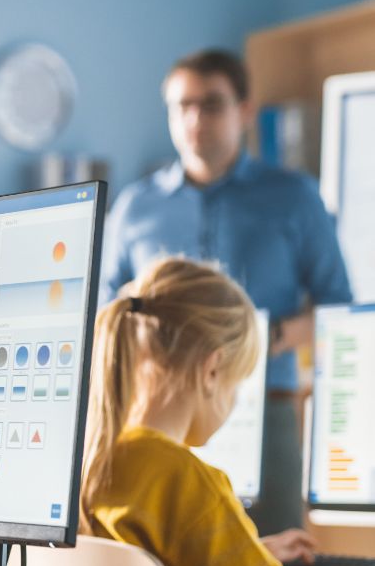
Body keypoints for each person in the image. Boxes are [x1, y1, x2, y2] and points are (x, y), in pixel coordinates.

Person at [61, 257, 374, 566]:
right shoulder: (186, 478)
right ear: (211, 370)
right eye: (236, 384)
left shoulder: (91, 461)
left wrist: (251, 555)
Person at [99, 48, 352, 538]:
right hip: (160, 416)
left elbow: (337, 309)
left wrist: (266, 337)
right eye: (183, 106)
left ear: (245, 110)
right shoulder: (134, 208)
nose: (196, 119)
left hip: (265, 412)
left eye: (211, 104)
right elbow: (109, 314)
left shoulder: (295, 197)